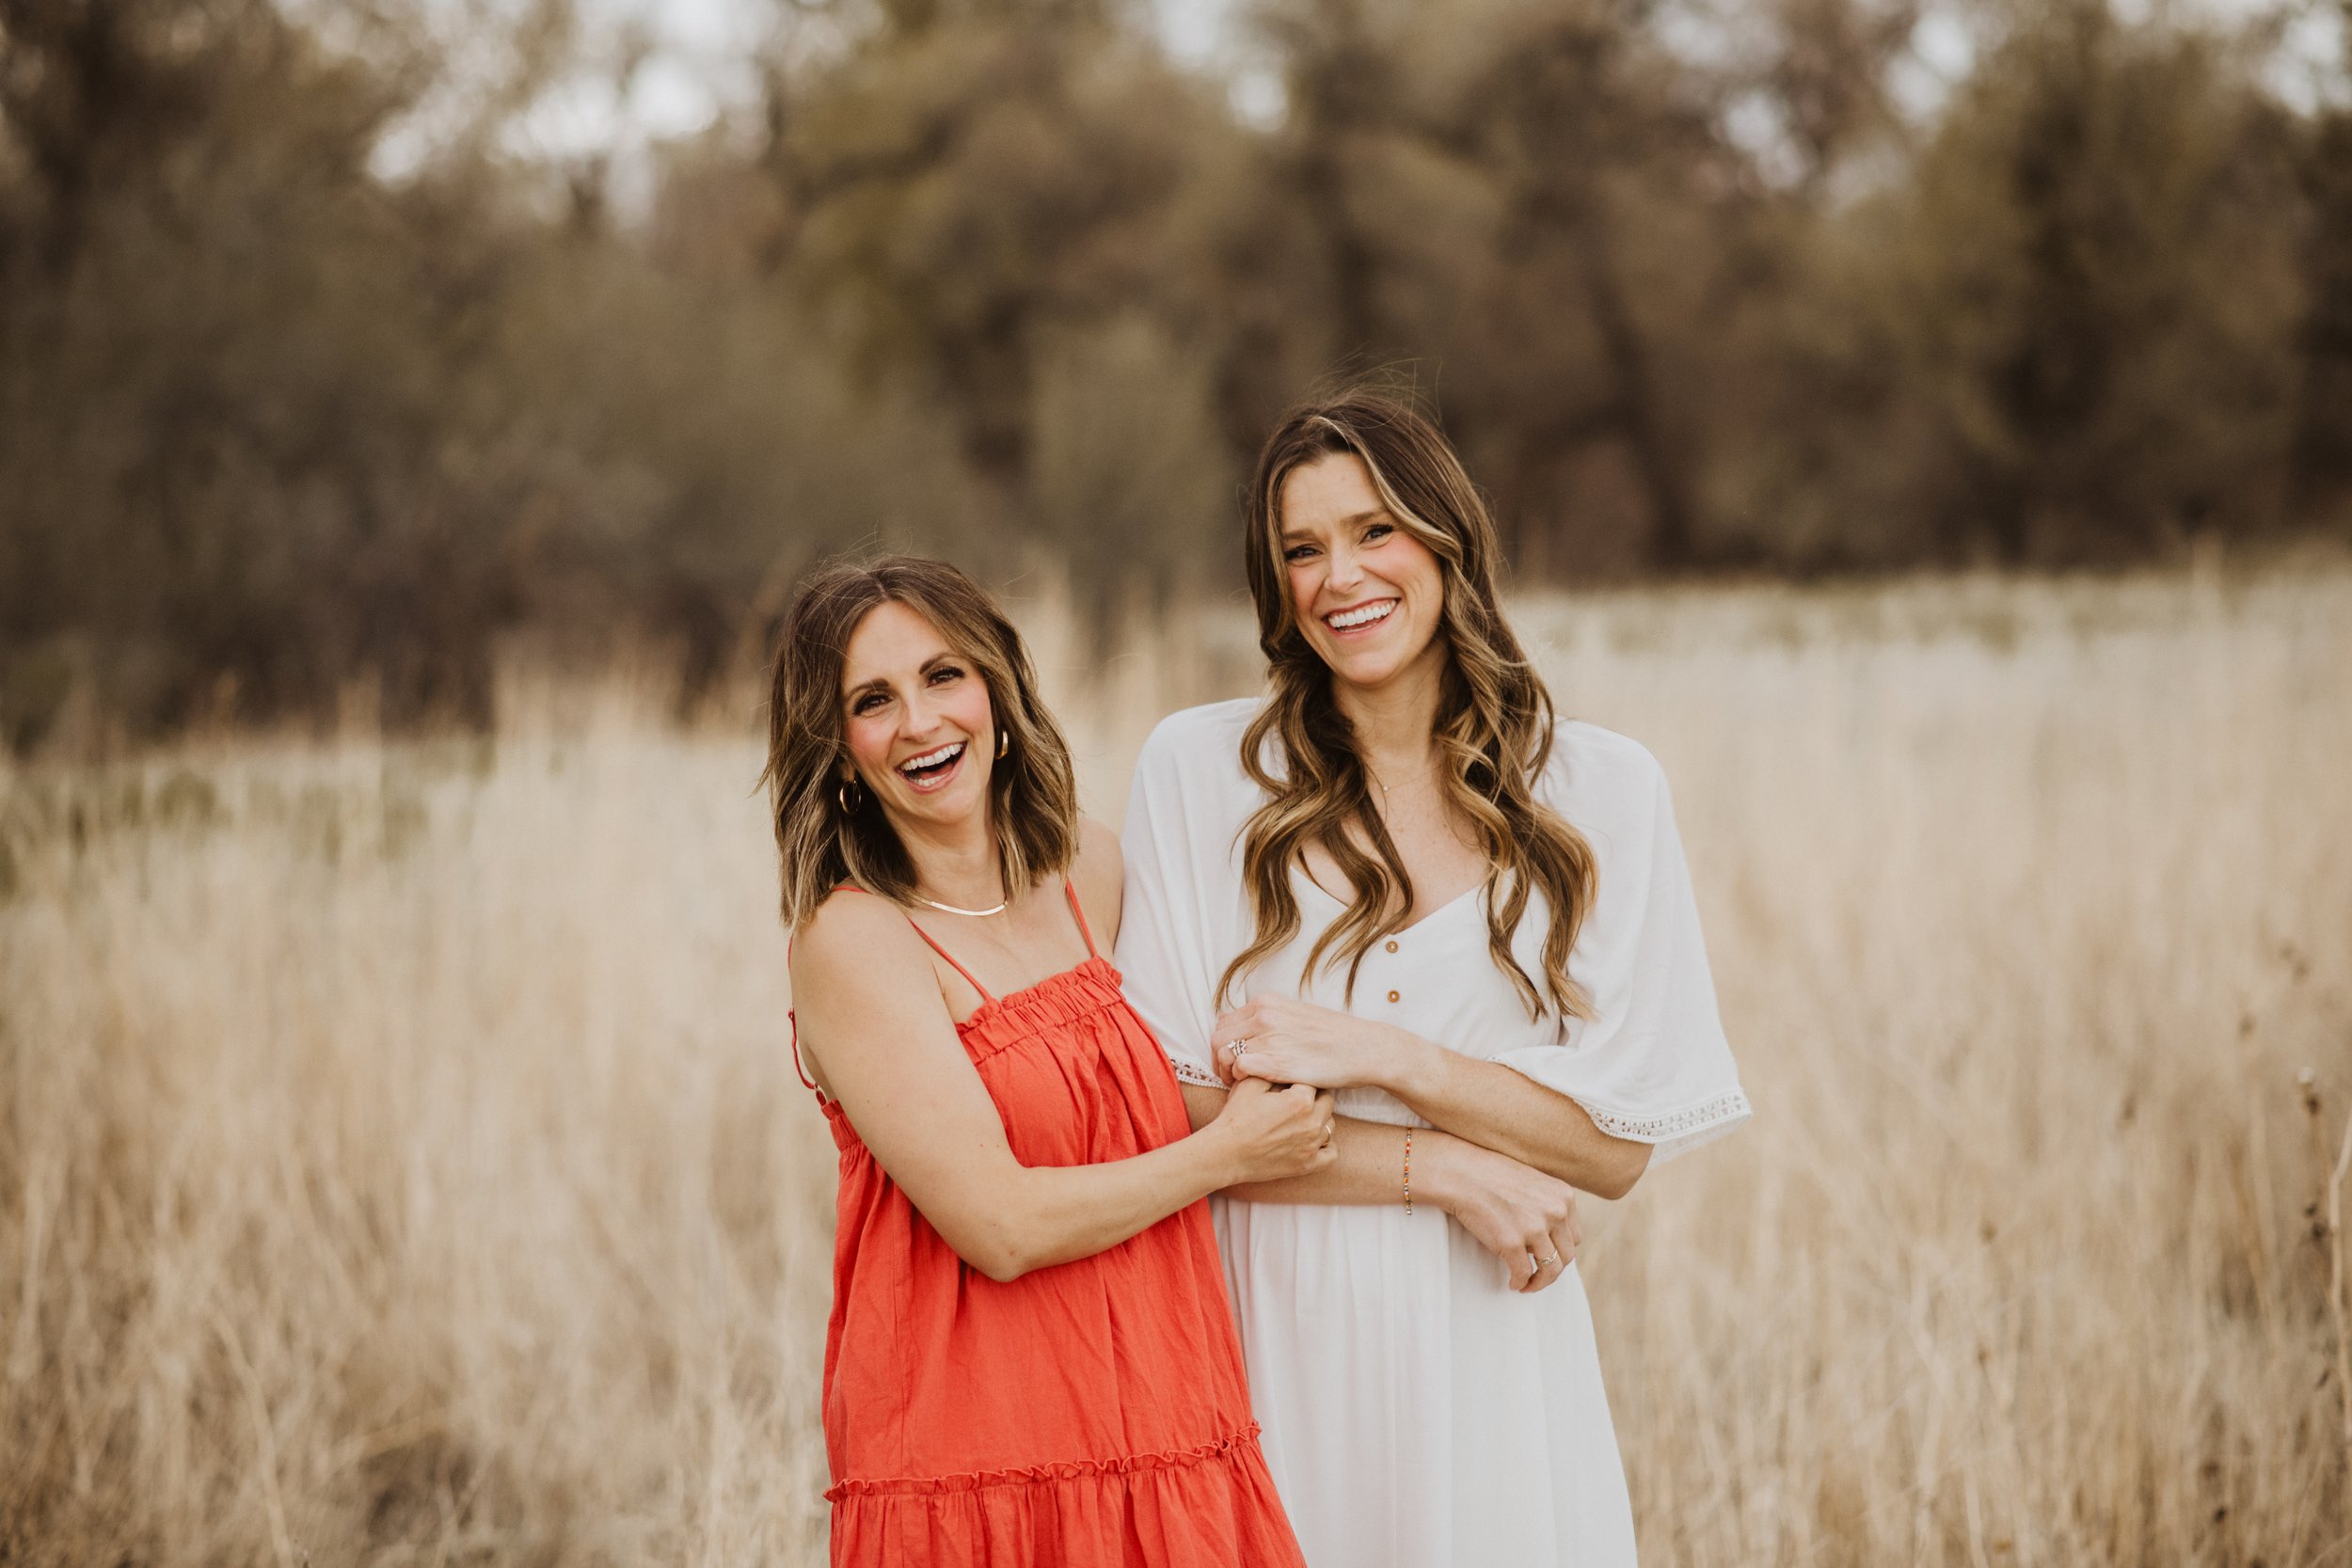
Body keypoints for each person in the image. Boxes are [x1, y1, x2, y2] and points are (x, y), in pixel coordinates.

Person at [1115, 390, 1751, 1567]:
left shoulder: (1601, 792)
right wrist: (1442, 1165)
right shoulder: (1198, 773)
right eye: (1299, 549)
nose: (1338, 576)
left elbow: (1611, 1151)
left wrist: (1387, 1056)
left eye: (1374, 530)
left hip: (1492, 1349)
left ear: (1447, 539)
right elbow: (1169, 1107)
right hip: (1271, 1341)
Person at [769, 557, 1324, 1568]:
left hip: (1167, 1426)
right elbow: (1000, 1223)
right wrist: (1228, 1156)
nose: (921, 722)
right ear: (839, 751)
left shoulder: (1092, 870)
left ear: (996, 689)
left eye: (944, 676)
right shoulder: (854, 942)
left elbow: (1187, 1093)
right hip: (984, 1468)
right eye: (872, 700)